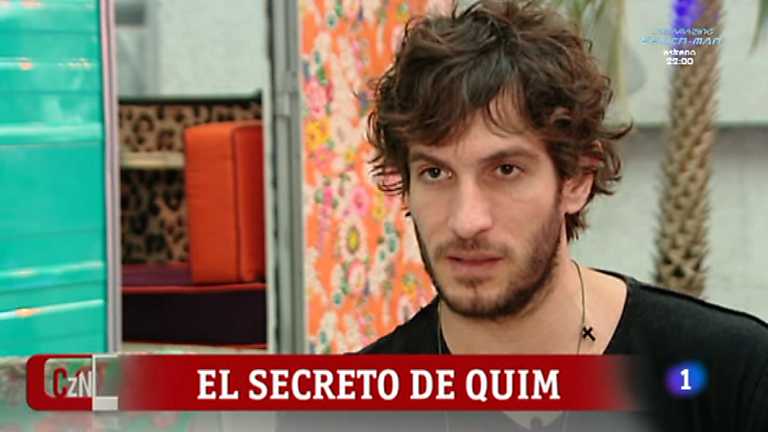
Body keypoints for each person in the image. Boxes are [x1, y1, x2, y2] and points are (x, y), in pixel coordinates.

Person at [356, 0, 768, 431]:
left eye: (505, 170)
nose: (467, 220)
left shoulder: (733, 375)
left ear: (576, 180)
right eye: (435, 173)